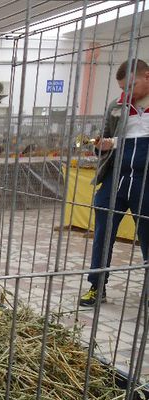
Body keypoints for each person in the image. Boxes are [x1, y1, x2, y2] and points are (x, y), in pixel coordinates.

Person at [79, 59, 149, 307]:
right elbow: (107, 137)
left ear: (147, 77)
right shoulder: (117, 107)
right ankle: (97, 287)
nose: (125, 94)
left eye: (130, 86)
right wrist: (103, 145)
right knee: (103, 233)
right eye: (122, 89)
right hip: (115, 177)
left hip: (145, 181)